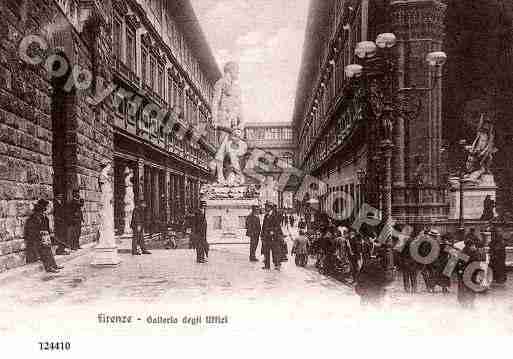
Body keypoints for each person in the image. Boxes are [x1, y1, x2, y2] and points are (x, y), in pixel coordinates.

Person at [24, 199, 63, 273]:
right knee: (45, 250)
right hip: (35, 239)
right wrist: (40, 235)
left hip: (43, 238)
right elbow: (31, 231)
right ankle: (49, 267)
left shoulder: (43, 217)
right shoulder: (33, 218)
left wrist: (47, 235)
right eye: (42, 210)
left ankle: (54, 265)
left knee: (48, 249)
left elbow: (46, 227)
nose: (43, 211)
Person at [457, 238, 481, 309]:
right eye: (473, 245)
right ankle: (469, 303)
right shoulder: (470, 252)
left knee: (465, 288)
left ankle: (466, 303)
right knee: (469, 289)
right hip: (469, 273)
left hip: (466, 273)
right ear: (470, 245)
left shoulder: (464, 252)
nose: (474, 247)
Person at [261, 203, 283, 270]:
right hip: (266, 236)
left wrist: (273, 231)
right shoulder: (266, 216)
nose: (265, 208)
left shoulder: (275, 216)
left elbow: (277, 226)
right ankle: (267, 265)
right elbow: (264, 226)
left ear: (270, 208)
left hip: (273, 237)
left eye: (266, 207)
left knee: (275, 251)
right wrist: (262, 234)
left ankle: (277, 265)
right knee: (266, 251)